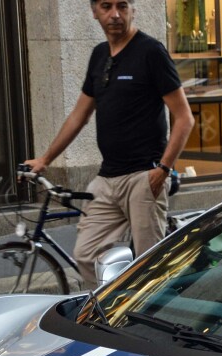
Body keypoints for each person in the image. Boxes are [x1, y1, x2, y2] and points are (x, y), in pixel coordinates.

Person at [24, 0, 194, 290]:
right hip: (108, 178)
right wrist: (45, 159)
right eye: (106, 6)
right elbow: (79, 115)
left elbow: (184, 118)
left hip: (144, 175)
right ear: (94, 11)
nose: (115, 14)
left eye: (122, 6)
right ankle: (108, 315)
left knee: (148, 266)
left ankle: (150, 323)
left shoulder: (150, 52)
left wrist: (163, 169)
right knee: (86, 254)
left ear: (132, 10)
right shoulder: (99, 54)